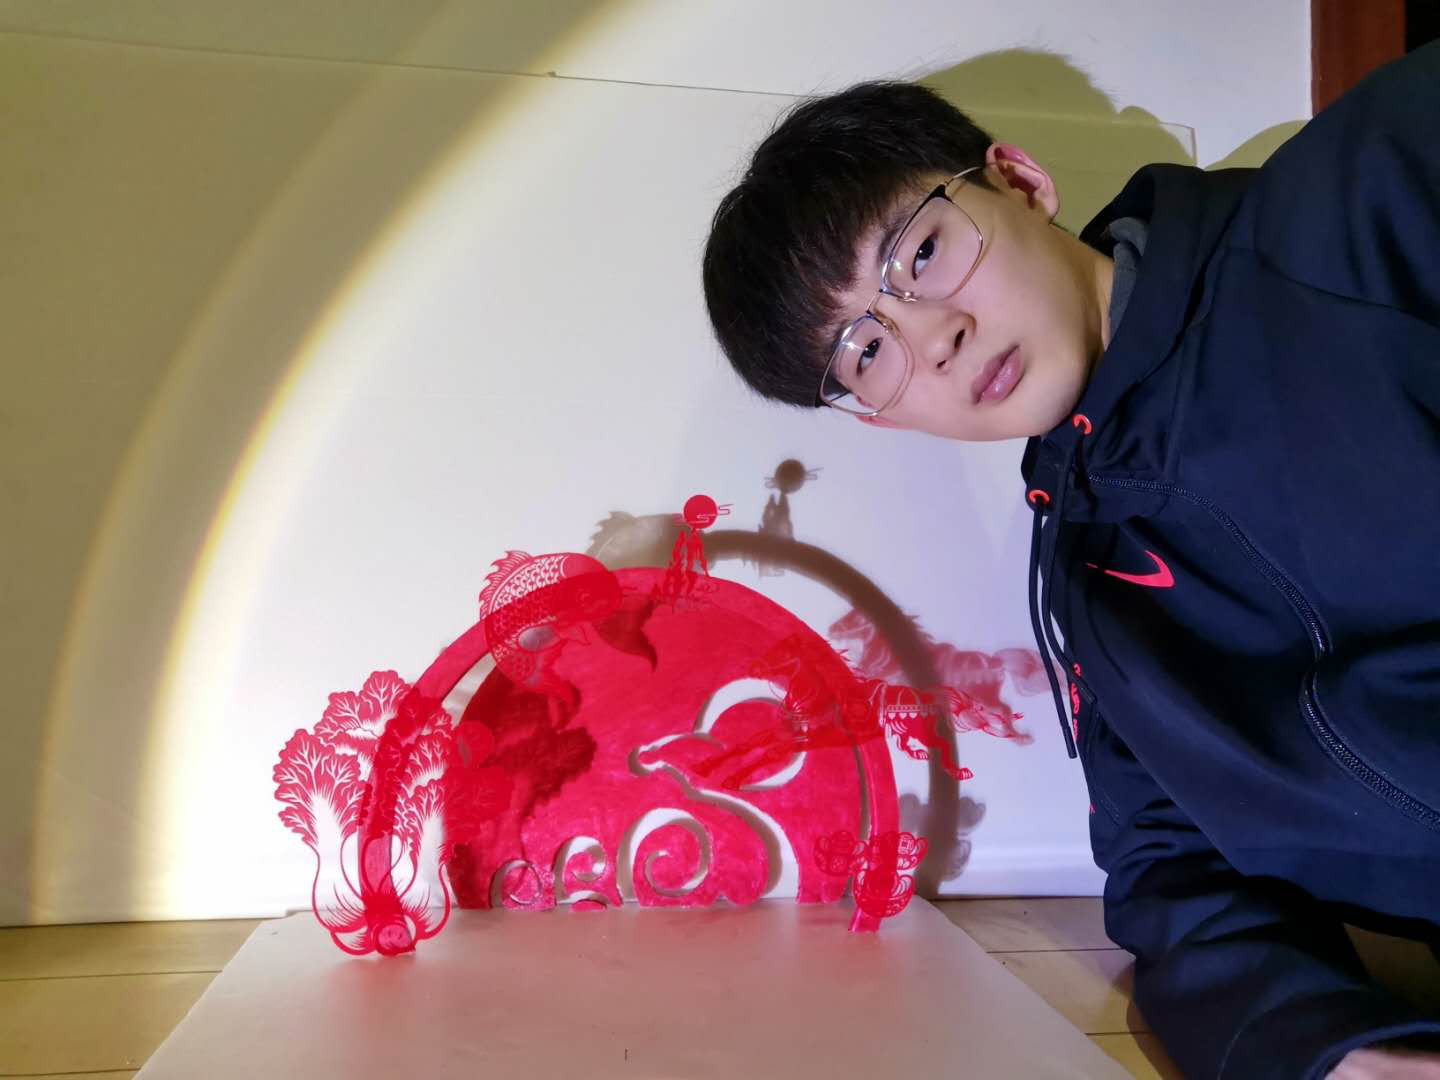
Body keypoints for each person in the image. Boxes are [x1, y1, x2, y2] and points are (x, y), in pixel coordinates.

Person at [701, 42, 1440, 1080]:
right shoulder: (1089, 583)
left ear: (1019, 181)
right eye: (866, 351)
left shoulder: (1365, 199)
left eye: (921, 254)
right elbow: (1173, 875)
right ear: (882, 417)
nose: (936, 338)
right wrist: (1330, 1054)